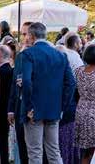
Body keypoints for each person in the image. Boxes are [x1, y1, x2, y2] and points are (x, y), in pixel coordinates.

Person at [20, 22, 75, 164]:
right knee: (54, 151)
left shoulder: (28, 54)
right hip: (54, 108)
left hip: (34, 109)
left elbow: (26, 81)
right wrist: (62, 106)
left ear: (31, 36)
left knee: (35, 153)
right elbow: (70, 83)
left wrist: (29, 106)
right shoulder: (60, 55)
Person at [7, 21, 32, 164]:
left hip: (35, 109)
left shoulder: (39, 55)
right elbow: (14, 83)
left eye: (27, 34)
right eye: (23, 34)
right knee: (22, 148)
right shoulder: (20, 55)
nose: (25, 38)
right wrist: (11, 109)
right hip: (19, 106)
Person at [0, 45, 13, 164]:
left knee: (0, 141)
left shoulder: (2, 72)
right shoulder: (9, 70)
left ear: (0, 55)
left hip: (0, 112)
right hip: (6, 111)